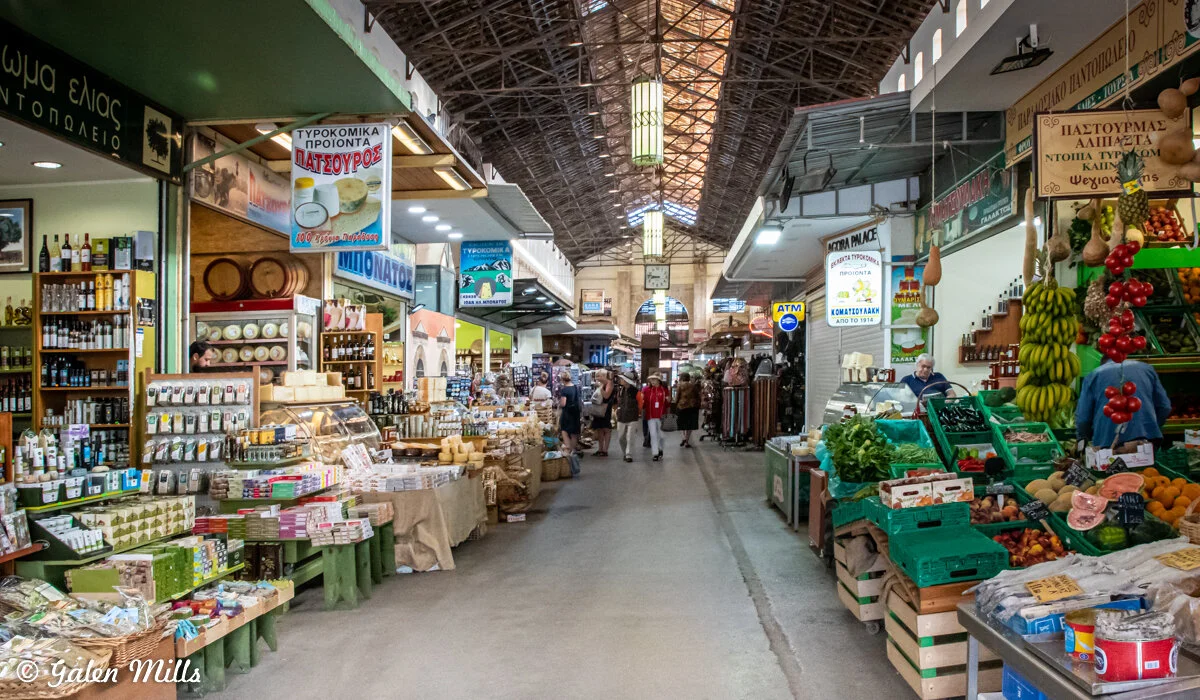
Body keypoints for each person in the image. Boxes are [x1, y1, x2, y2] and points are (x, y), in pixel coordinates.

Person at [1077, 358, 1172, 448]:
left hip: (1107, 441)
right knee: (1145, 465)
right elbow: (1165, 407)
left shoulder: (1094, 375)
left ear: (1103, 363)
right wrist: (1151, 426)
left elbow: (1083, 417)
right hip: (1146, 439)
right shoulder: (1147, 369)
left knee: (1111, 465)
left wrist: (1083, 440)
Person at [558, 370, 582, 475]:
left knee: (564, 430)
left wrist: (558, 403)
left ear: (562, 379)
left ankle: (568, 450)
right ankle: (573, 450)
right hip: (575, 413)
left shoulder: (565, 390)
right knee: (573, 432)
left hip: (567, 413)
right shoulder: (575, 387)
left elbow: (563, 403)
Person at [614, 370, 641, 463]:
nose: (620, 380)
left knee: (630, 437)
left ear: (626, 381)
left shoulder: (636, 392)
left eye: (622, 379)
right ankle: (625, 452)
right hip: (621, 416)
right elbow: (618, 402)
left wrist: (638, 413)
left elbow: (640, 403)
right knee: (621, 437)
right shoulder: (620, 390)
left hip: (633, 417)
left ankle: (628, 454)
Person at [641, 373, 670, 461]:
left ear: (659, 380)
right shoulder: (646, 390)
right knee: (653, 435)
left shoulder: (664, 390)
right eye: (651, 379)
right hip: (650, 416)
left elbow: (668, 404)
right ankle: (655, 453)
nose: (652, 381)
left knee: (661, 435)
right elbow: (643, 403)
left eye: (654, 379)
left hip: (662, 416)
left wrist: (668, 401)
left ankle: (660, 449)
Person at [591, 369, 615, 457]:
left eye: (599, 376)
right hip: (599, 408)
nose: (597, 378)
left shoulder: (609, 383)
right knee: (599, 428)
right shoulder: (602, 384)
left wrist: (600, 388)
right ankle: (600, 449)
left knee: (606, 428)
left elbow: (606, 395)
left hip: (605, 408)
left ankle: (605, 450)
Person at [675, 372, 701, 448]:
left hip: (681, 406)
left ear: (682, 378)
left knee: (681, 423)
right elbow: (697, 396)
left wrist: (675, 405)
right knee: (689, 424)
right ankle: (686, 441)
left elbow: (677, 397)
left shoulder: (680, 386)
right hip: (692, 407)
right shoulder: (693, 386)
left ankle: (683, 438)